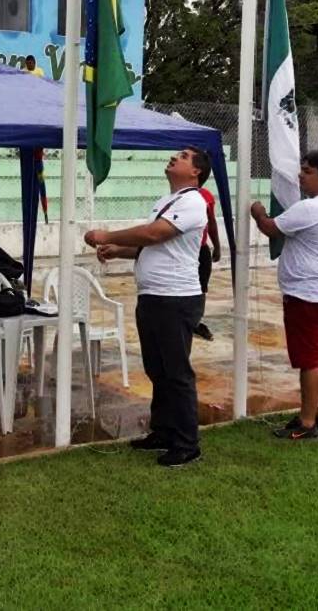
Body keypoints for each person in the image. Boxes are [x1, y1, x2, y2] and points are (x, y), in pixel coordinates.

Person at [85, 148, 210, 468]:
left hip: (175, 298)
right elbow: (153, 245)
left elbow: (155, 234)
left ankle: (187, 442)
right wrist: (118, 250)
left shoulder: (194, 201)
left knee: (176, 372)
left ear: (196, 171)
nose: (174, 158)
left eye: (182, 156)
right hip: (154, 296)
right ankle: (164, 431)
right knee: (157, 369)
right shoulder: (166, 201)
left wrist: (106, 234)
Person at [250, 149, 318, 442]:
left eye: (307, 172)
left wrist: (257, 210)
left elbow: (271, 228)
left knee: (310, 361)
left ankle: (306, 422)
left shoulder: (311, 208)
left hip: (306, 295)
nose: (300, 176)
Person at [193, 168, 221, 342]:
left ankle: (196, 322)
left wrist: (217, 246)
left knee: (201, 287)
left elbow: (211, 223)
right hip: (185, 250)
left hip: (201, 249)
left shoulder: (206, 196)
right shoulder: (177, 197)